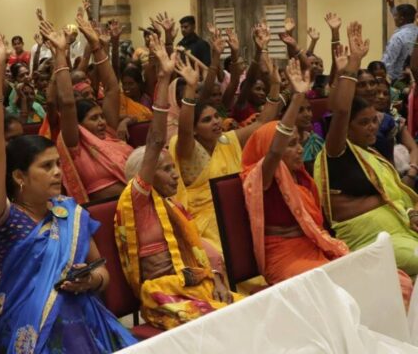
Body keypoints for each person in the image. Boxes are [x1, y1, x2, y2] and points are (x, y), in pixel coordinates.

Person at [0, 22, 136, 353]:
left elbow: (102, 271)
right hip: (29, 329)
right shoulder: (1, 216)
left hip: (83, 315)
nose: (57, 172)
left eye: (58, 164)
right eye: (46, 167)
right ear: (19, 176)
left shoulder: (68, 212)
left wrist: (89, 280)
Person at [116, 31, 239, 330]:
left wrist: (219, 280)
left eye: (174, 169)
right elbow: (157, 139)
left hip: (197, 283)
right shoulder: (138, 200)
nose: (175, 175)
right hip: (163, 293)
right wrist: (163, 77)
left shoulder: (172, 206)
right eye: (166, 170)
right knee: (220, 327)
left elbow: (201, 251)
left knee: (245, 311)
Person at [315, 22, 418, 278]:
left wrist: (410, 212)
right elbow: (340, 110)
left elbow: (394, 195)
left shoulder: (370, 154)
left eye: (374, 120)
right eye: (364, 122)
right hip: (369, 241)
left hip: (398, 229)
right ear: (346, 128)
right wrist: (353, 63)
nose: (373, 127)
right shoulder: (336, 152)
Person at [171, 27, 281, 251]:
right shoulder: (187, 149)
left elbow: (262, 124)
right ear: (194, 129)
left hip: (235, 213)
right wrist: (191, 89)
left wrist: (276, 85)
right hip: (204, 226)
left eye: (216, 117)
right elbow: (183, 130)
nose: (215, 122)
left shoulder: (226, 140)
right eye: (206, 120)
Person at [241, 59, 348, 285]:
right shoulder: (263, 176)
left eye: (298, 142)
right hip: (283, 257)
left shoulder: (300, 176)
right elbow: (275, 152)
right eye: (291, 144)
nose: (299, 149)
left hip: (310, 246)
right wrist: (297, 96)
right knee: (337, 285)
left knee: (394, 279)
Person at [52, 13, 134, 203]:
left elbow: (113, 88)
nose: (101, 122)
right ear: (79, 125)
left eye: (101, 117)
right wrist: (60, 54)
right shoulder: (76, 144)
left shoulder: (109, 134)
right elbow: (67, 102)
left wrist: (96, 46)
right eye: (94, 118)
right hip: (105, 218)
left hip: (138, 205)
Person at [382, 0, 418, 81]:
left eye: (396, 16)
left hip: (400, 83)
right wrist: (392, 6)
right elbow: (400, 17)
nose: (394, 18)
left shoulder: (398, 37)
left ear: (401, 19)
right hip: (414, 79)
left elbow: (387, 62)